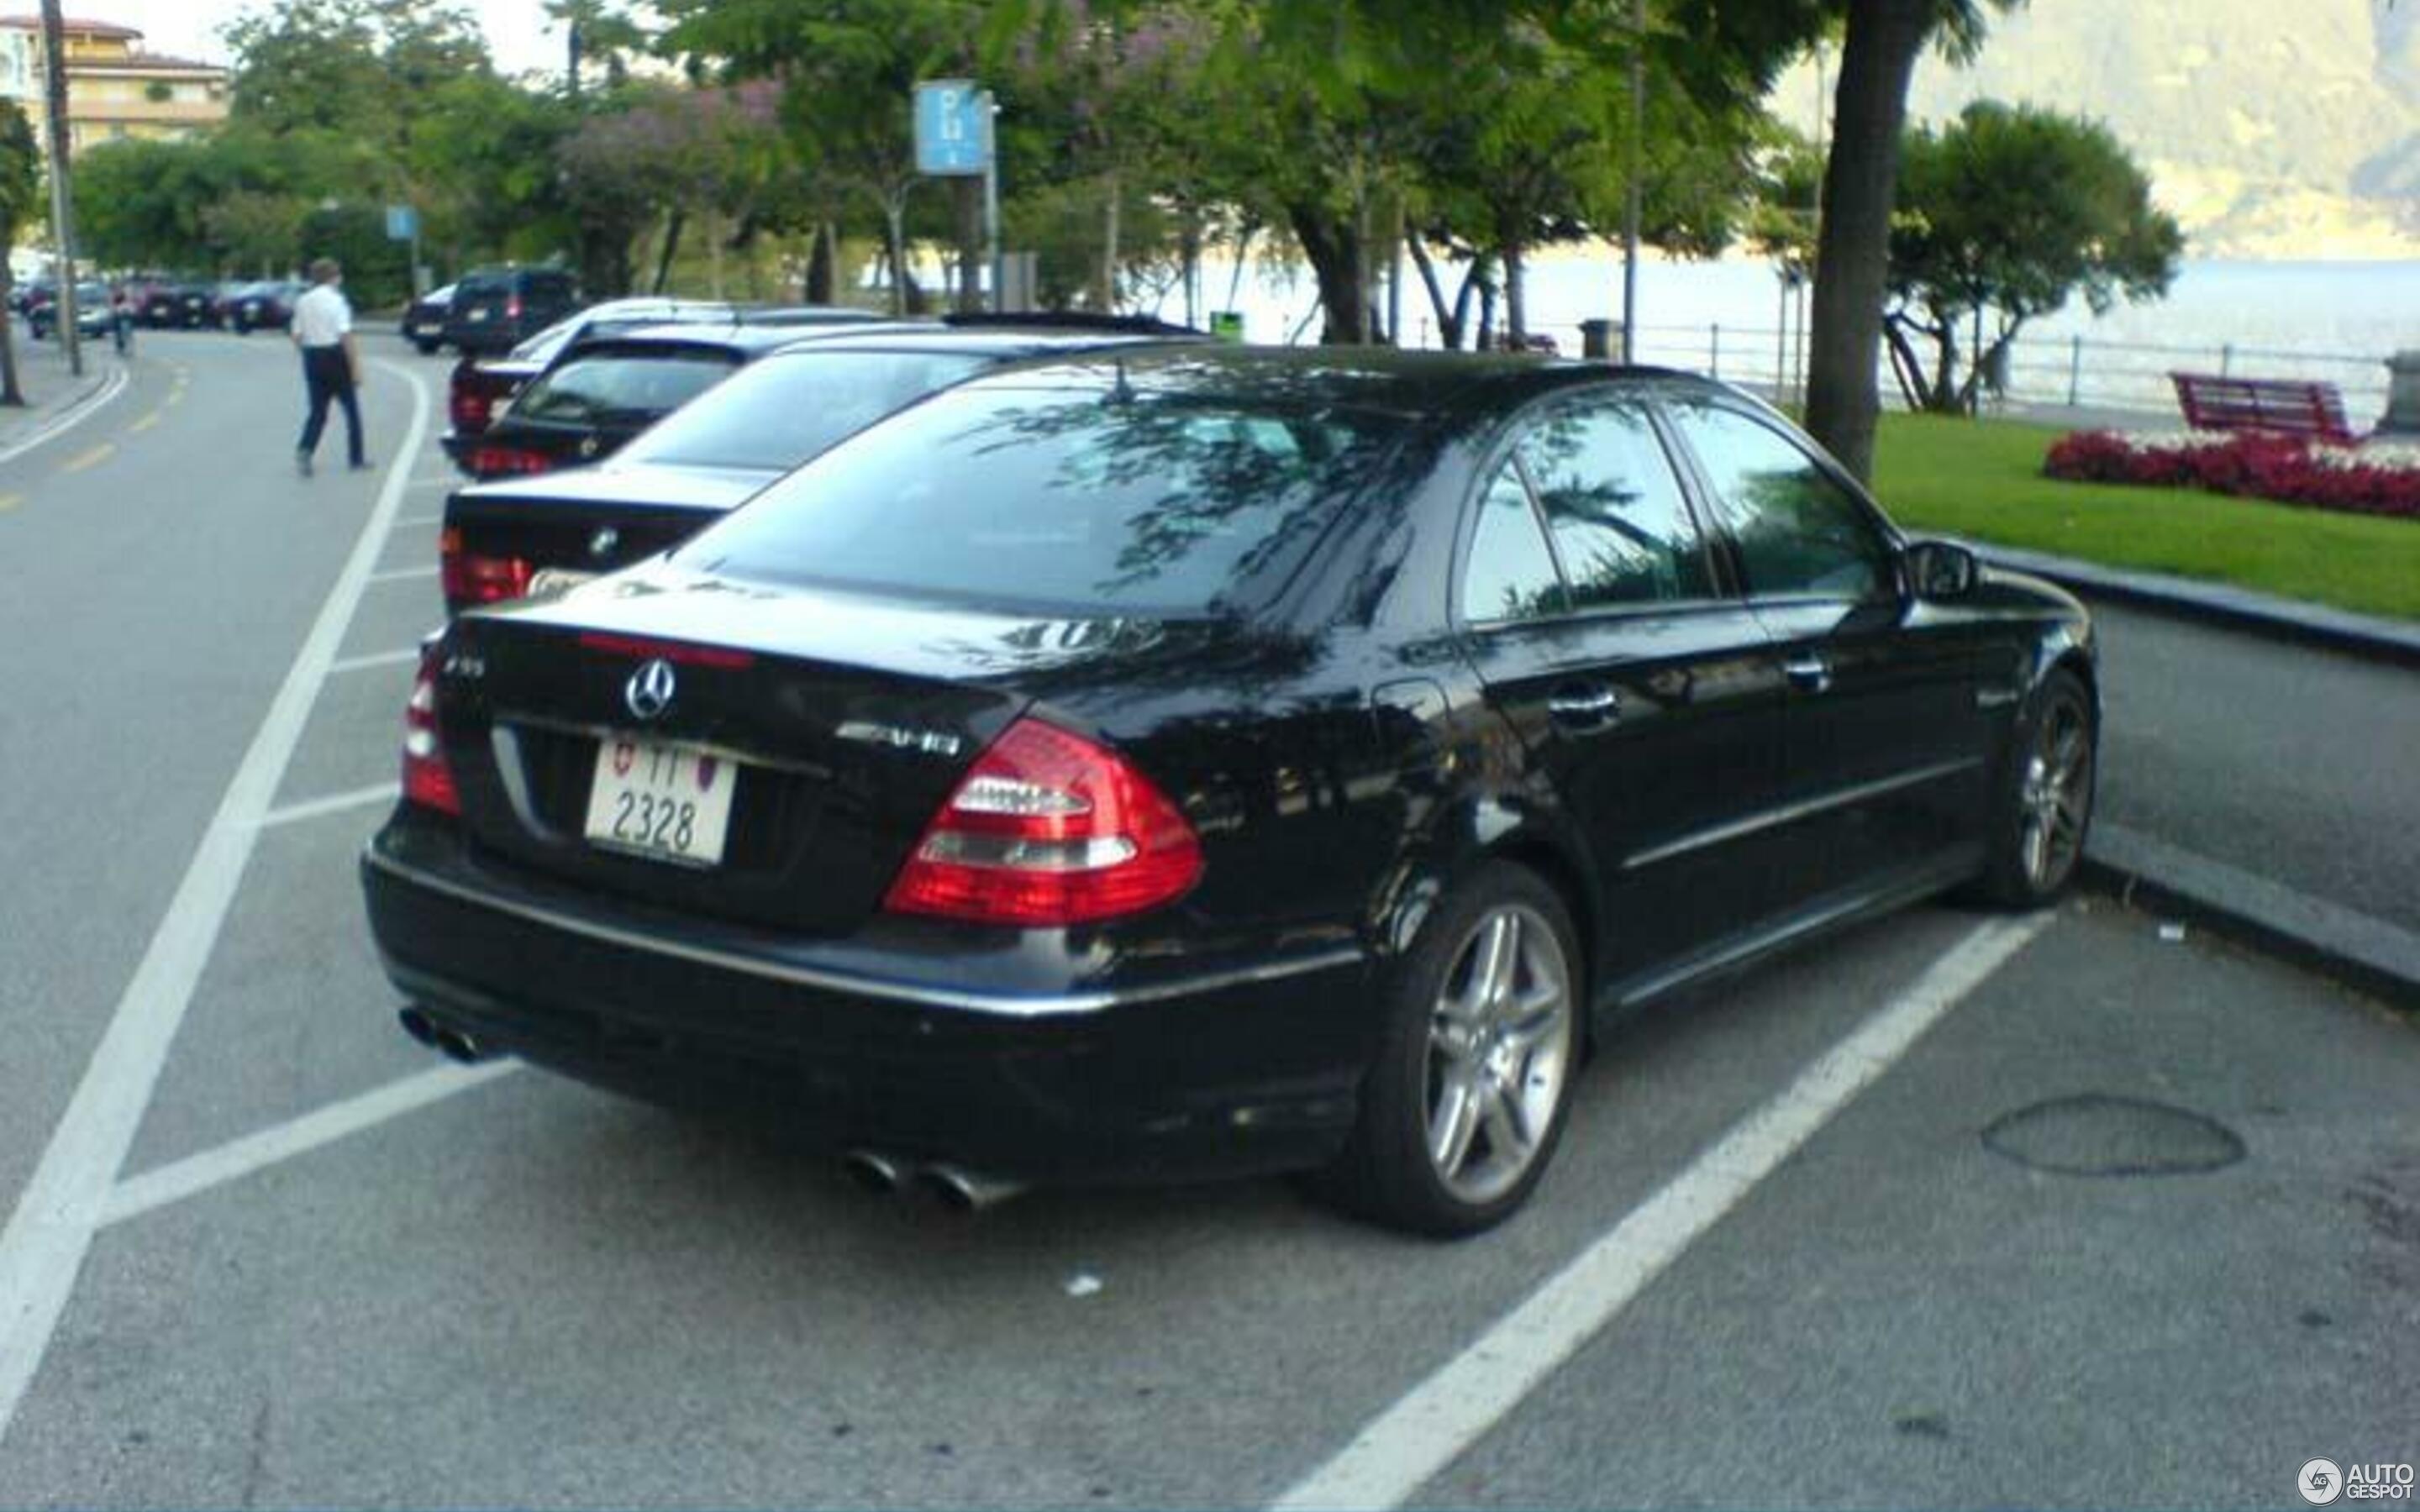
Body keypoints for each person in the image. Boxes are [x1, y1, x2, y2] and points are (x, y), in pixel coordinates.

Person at [291, 257, 366, 476]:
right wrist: (355, 367)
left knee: (317, 411)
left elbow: (296, 334)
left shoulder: (303, 301)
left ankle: (306, 448)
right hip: (334, 355)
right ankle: (356, 457)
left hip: (312, 355)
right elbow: (345, 335)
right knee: (351, 410)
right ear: (333, 277)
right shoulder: (337, 301)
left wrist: (305, 353)